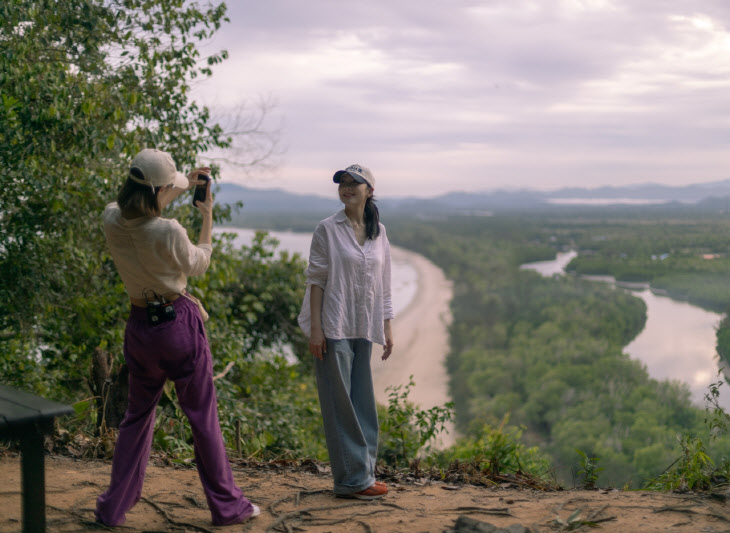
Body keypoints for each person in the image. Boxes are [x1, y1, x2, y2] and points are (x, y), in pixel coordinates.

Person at [95, 148, 259, 526]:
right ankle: (228, 506)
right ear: (160, 190)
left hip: (139, 328)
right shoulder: (169, 231)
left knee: (136, 418)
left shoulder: (111, 218)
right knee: (202, 417)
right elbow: (199, 262)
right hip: (177, 326)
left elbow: (143, 204)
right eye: (171, 188)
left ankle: (112, 507)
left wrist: (177, 185)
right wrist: (207, 217)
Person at [298, 163, 394, 500]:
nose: (348, 187)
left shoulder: (378, 231)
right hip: (333, 326)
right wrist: (316, 330)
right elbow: (316, 281)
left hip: (362, 327)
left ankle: (364, 473)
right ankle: (351, 480)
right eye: (343, 183)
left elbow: (383, 283)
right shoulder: (327, 229)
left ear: (370, 190)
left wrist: (387, 325)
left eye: (356, 183)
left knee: (362, 404)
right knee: (340, 406)